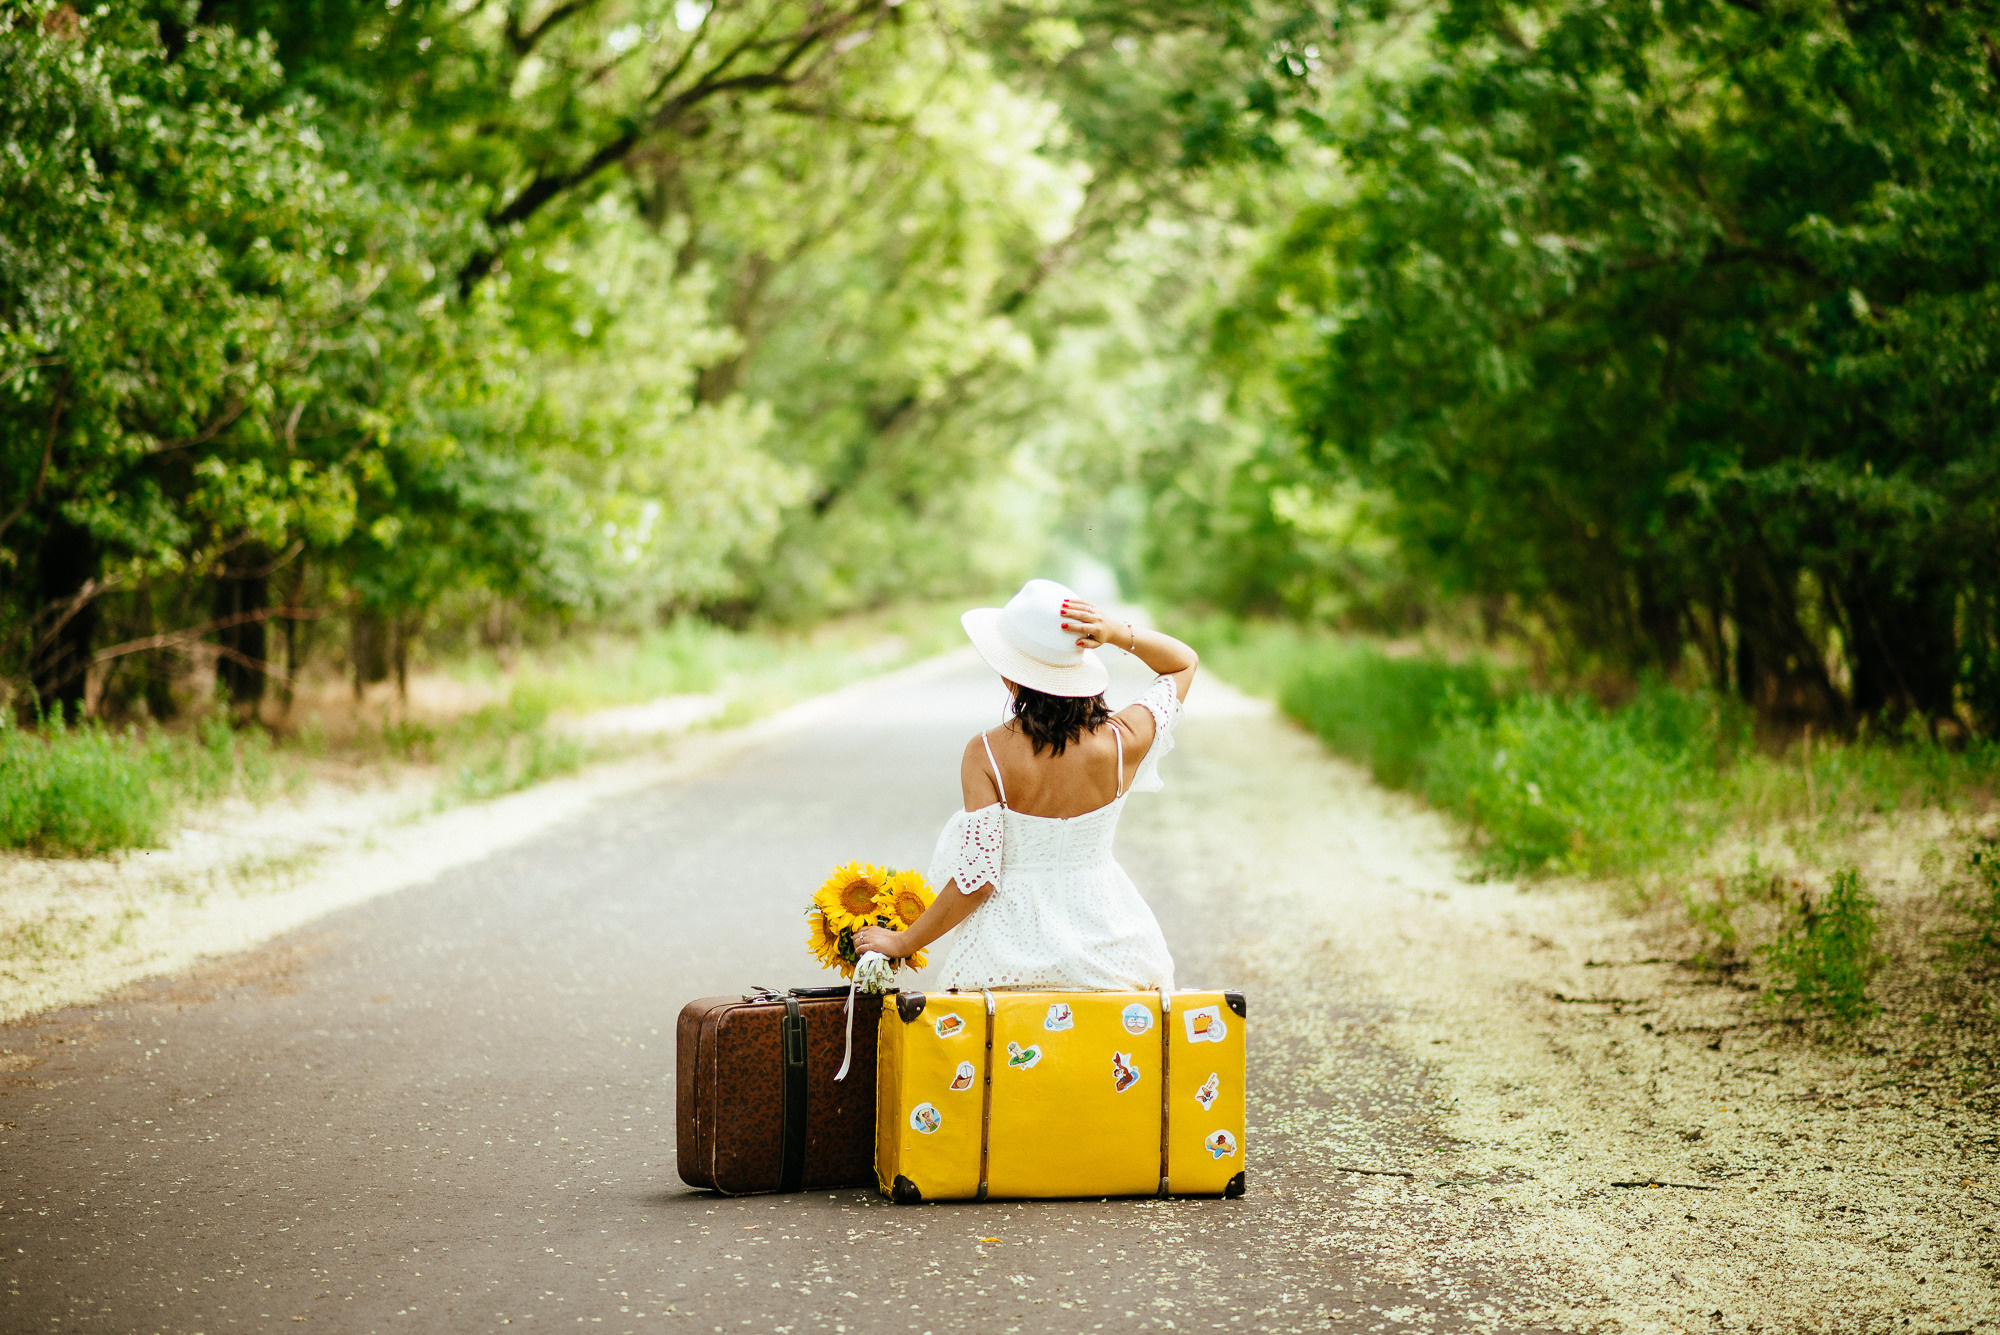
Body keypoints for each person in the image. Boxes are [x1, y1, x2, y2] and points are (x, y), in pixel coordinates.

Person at [853, 578, 1198, 990]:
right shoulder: (1124, 740)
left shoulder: (986, 754)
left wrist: (903, 941)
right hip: (1113, 942)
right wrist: (1114, 631)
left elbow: (978, 879)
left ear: (1008, 676)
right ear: (1080, 667)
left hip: (1009, 954)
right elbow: (1183, 663)